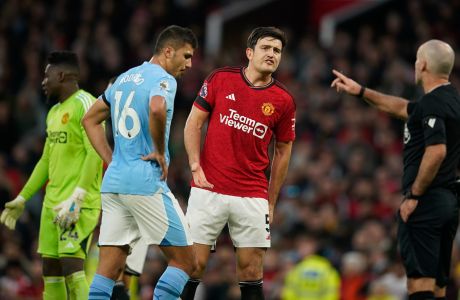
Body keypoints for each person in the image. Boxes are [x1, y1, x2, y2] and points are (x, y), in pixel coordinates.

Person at [331, 39, 460, 300]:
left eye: (416, 60)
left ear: (422, 64)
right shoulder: (450, 100)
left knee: (420, 285)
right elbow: (402, 107)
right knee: (438, 285)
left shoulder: (433, 103)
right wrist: (361, 91)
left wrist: (414, 196)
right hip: (448, 201)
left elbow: (437, 151)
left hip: (428, 201)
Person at [82, 25, 198, 300]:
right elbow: (157, 108)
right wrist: (160, 150)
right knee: (186, 262)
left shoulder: (123, 78)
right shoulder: (164, 79)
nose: (190, 64)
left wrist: (111, 160)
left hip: (114, 185)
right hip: (144, 181)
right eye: (186, 56)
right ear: (168, 51)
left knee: (107, 272)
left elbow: (89, 119)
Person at [181, 26, 296, 300]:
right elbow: (193, 123)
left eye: (277, 51)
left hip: (252, 193)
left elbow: (283, 151)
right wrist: (195, 167)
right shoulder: (220, 79)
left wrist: (271, 199)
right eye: (266, 48)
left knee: (251, 270)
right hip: (208, 188)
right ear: (249, 52)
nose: (271, 54)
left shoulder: (284, 100)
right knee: (192, 265)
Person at [0, 51, 103, 300]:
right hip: (52, 204)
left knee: (72, 268)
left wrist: (77, 198)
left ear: (61, 75)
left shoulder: (86, 104)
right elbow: (46, 160)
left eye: (46, 76)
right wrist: (22, 198)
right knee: (51, 271)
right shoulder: (54, 113)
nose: (43, 82)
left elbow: (96, 154)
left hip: (78, 202)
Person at [281, 235, 340, 300]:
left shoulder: (296, 268)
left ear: (313, 247)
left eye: (305, 247)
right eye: (300, 247)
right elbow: (332, 292)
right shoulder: (325, 265)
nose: (302, 250)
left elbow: (289, 292)